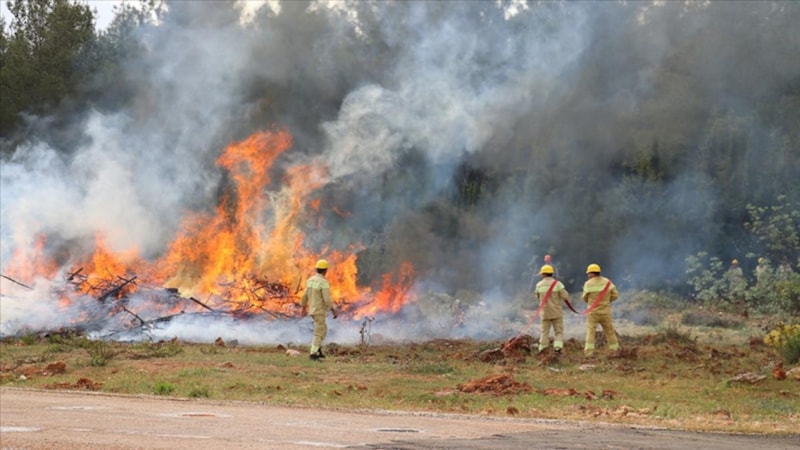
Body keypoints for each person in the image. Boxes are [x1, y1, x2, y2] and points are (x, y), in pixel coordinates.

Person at [300, 259, 338, 361]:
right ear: (325, 270)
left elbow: (304, 296)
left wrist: (303, 308)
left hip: (312, 310)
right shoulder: (323, 282)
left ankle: (318, 349)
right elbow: (327, 299)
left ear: (316, 269)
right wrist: (333, 310)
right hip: (319, 311)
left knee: (323, 330)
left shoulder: (310, 280)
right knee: (319, 333)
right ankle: (313, 354)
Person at [582, 263, 620, 356]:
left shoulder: (588, 284)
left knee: (590, 332)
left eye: (588, 273)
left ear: (592, 273)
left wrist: (591, 302)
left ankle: (588, 352)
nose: (588, 275)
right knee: (610, 332)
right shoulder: (607, 282)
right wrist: (607, 301)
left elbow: (584, 298)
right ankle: (615, 350)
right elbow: (615, 295)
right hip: (605, 312)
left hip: (593, 313)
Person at [534, 264, 569, 353]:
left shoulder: (539, 285)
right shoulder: (557, 284)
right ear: (551, 273)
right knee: (558, 332)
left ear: (543, 274)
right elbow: (565, 296)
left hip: (544, 313)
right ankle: (557, 348)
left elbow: (538, 297)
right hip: (556, 312)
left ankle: (542, 349)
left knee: (544, 332)